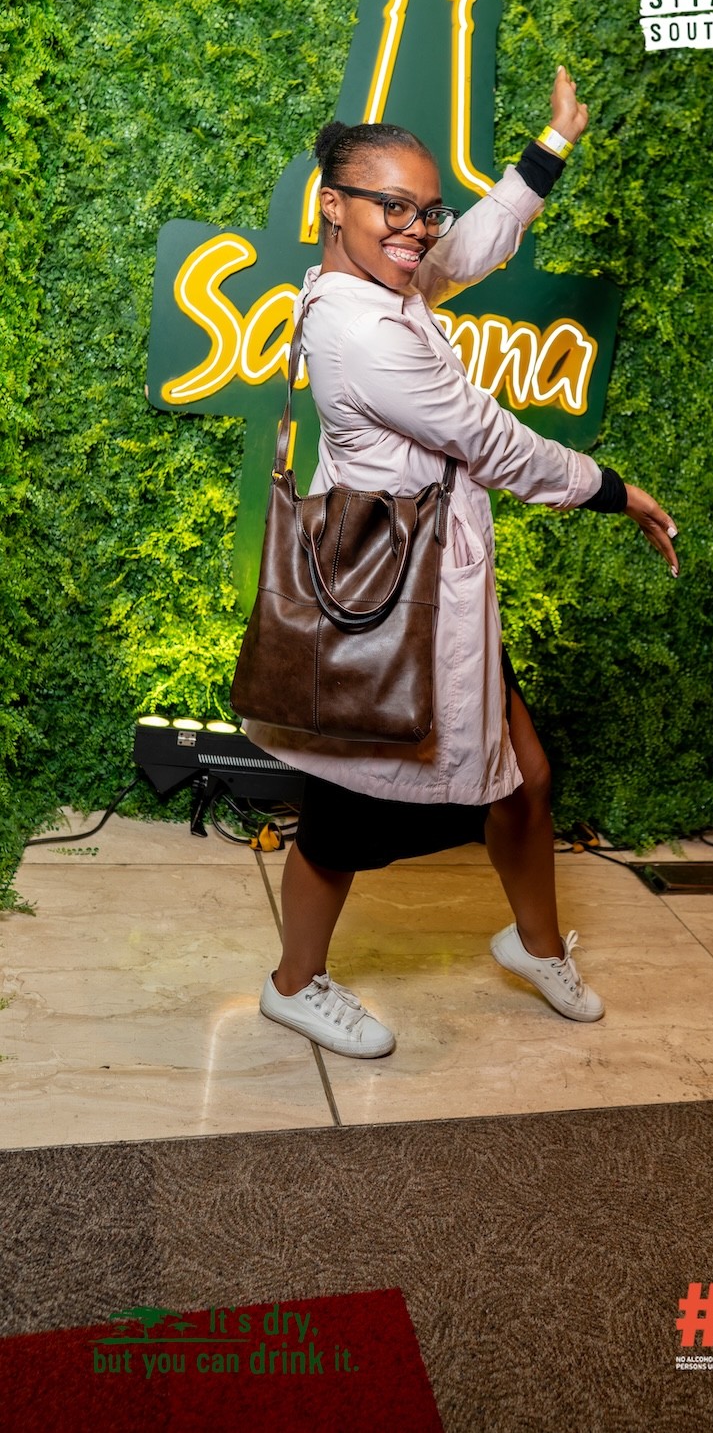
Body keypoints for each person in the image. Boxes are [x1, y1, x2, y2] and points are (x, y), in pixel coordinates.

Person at [244, 67, 678, 1059]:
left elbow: (463, 249)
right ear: (333, 204)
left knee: (525, 778)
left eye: (424, 209)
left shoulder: (380, 282)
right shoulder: (364, 331)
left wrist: (549, 149)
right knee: (343, 821)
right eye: (391, 207)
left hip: (439, 593)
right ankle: (292, 985)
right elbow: (495, 445)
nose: (416, 230)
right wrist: (617, 490)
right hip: (388, 610)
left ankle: (535, 944)